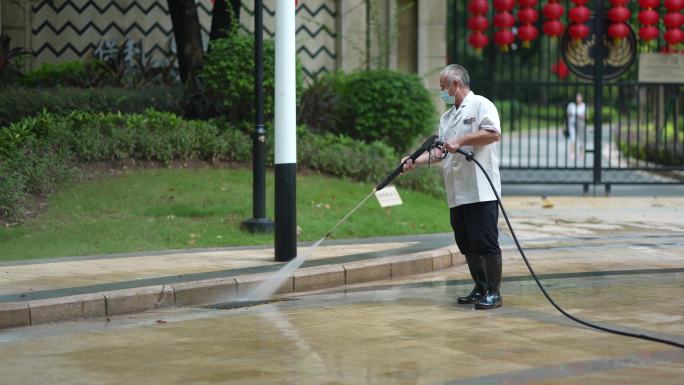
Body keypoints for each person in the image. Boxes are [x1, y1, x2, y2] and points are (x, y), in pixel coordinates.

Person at [402, 64, 503, 309]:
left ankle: (494, 292)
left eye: (443, 88)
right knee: (466, 243)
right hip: (457, 191)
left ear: (455, 85)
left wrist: (463, 139)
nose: (442, 93)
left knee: (485, 241)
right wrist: (414, 160)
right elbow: (440, 152)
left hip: (480, 189)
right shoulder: (446, 118)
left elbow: (493, 133)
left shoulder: (482, 105)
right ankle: (479, 288)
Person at [566, 93, 586, 160]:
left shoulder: (583, 105)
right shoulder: (571, 105)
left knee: (581, 139)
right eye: (577, 97)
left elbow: (585, 116)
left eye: (579, 97)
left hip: (580, 124)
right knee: (573, 138)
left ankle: (581, 154)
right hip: (572, 123)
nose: (578, 99)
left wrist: (578, 116)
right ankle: (572, 153)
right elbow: (568, 115)